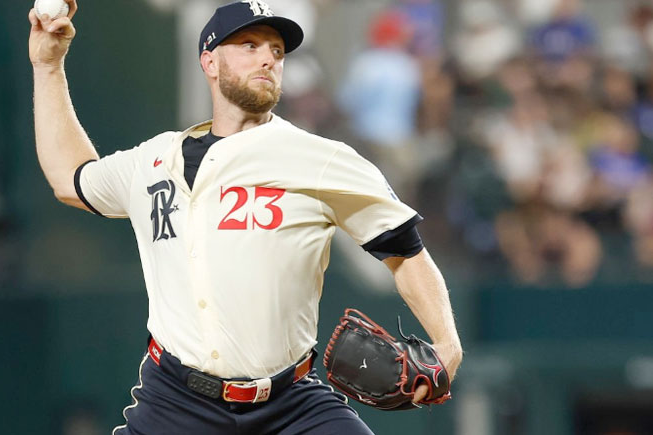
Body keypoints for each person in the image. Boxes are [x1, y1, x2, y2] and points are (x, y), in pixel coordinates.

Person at [28, 1, 462, 433]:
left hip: (291, 405)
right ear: (209, 62)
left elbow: (406, 252)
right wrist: (48, 67)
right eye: (249, 45)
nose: (268, 58)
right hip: (175, 403)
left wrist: (447, 344)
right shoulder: (153, 160)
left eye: (276, 50)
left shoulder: (319, 158)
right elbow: (69, 179)